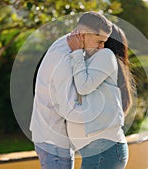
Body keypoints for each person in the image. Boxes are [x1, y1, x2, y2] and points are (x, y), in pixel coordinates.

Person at [30, 11, 112, 169]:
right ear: (83, 35)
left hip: (52, 138)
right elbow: (69, 109)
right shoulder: (65, 59)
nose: (102, 48)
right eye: (99, 41)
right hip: (53, 143)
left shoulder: (66, 45)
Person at [66, 24, 133, 169]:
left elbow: (83, 87)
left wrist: (77, 52)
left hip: (102, 152)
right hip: (102, 152)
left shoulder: (104, 56)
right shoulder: (99, 65)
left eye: (101, 40)